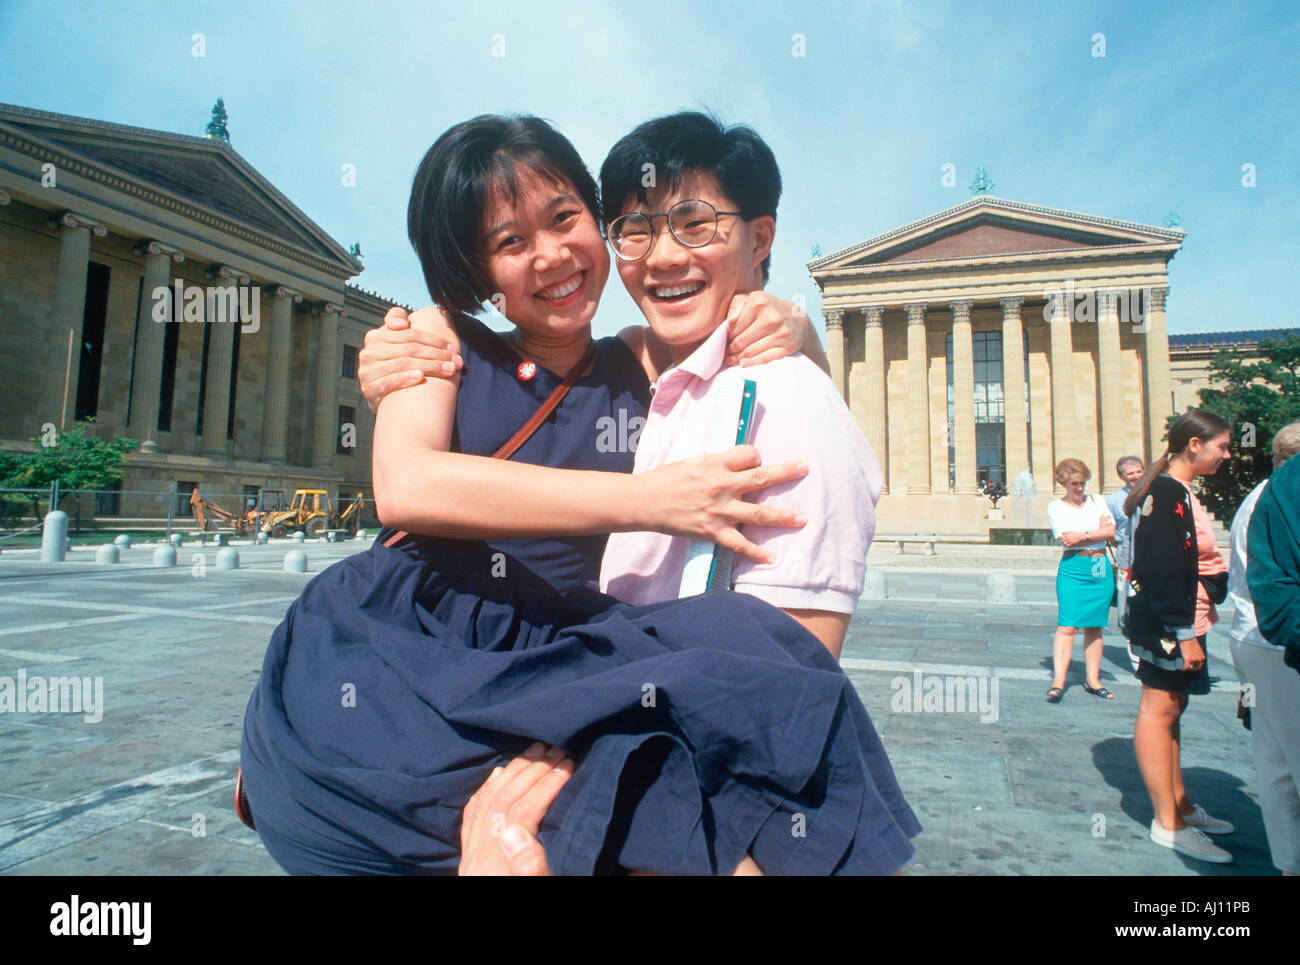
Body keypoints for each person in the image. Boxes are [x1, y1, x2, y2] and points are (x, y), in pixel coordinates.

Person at [242, 112, 917, 876]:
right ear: (477, 272)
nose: (551, 255)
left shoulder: (638, 362)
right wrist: (650, 500)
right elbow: (406, 486)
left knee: (777, 727)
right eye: (509, 242)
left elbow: (788, 393)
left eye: (565, 219)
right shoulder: (442, 340)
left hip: (545, 661)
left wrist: (798, 325)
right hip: (408, 642)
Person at [1121, 409, 1234, 863]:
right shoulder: (1166, 491)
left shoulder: (1175, 488)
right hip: (1169, 625)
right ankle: (1167, 823)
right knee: (1159, 708)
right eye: (1221, 446)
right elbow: (1161, 569)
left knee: (1173, 708)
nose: (1226, 455)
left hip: (1183, 619)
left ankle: (1180, 804)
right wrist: (1183, 632)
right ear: (1194, 445)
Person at [1239, 424, 1300, 875]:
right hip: (1276, 647)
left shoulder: (1261, 495)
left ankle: (1287, 863)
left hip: (1258, 642)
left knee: (1276, 766)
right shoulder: (1276, 496)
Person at [1044, 459, 1116, 702]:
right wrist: (1095, 533)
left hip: (1098, 564)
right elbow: (1067, 540)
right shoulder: (1056, 507)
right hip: (1074, 566)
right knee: (1067, 626)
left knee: (1095, 626)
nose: (1079, 488)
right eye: (1074, 483)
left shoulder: (1098, 501)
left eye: (1082, 483)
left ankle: (1093, 679)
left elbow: (1111, 532)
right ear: (1064, 483)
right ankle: (1058, 680)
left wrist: (1083, 535)